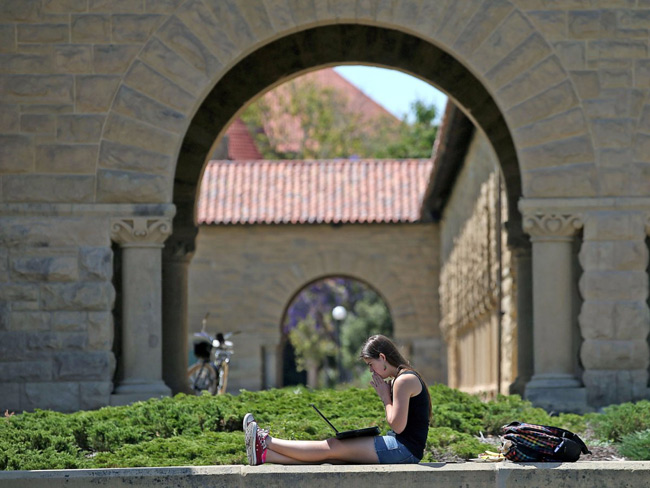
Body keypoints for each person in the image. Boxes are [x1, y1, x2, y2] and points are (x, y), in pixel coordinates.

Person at [243, 334, 432, 465]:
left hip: (404, 451)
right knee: (335, 457)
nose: (371, 371)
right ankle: (266, 456)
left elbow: (397, 426)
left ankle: (265, 441)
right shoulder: (402, 378)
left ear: (382, 358)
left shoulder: (404, 380)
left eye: (370, 364)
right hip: (401, 447)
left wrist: (385, 397)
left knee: (333, 446)